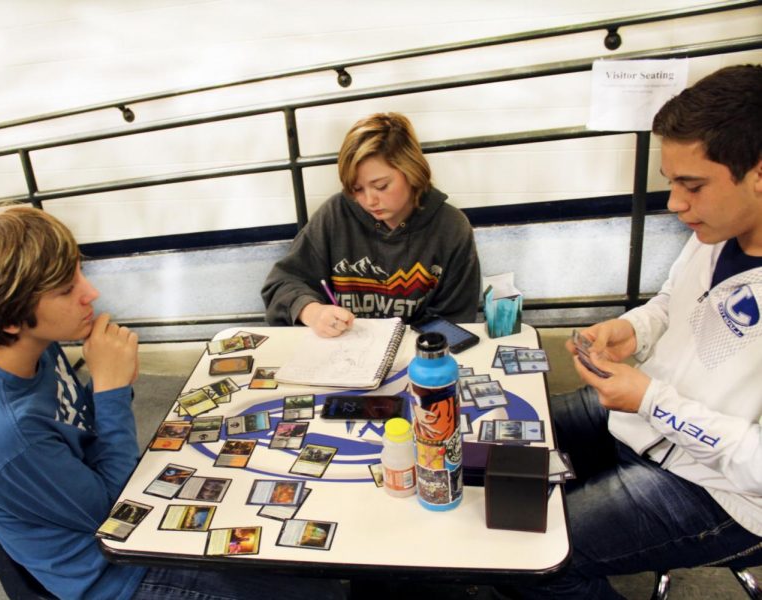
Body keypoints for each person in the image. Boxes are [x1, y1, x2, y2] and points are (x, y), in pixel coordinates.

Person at [0, 206, 346, 600]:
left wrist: (110, 390)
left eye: (78, 272)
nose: (90, 292)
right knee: (323, 587)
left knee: (311, 538)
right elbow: (114, 512)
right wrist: (111, 390)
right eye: (67, 289)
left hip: (123, 508)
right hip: (117, 573)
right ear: (10, 318)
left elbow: (83, 436)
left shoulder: (26, 346)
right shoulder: (5, 438)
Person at [514, 64, 762, 599]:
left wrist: (652, 400)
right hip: (643, 421)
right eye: (671, 183)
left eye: (691, 185)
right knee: (506, 437)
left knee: (532, 564)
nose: (674, 204)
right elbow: (673, 302)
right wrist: (633, 330)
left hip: (719, 494)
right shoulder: (717, 230)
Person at [261, 112, 481, 337]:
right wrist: (313, 311)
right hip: (343, 351)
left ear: (412, 172)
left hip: (419, 356)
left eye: (381, 185)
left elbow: (455, 320)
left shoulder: (451, 228)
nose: (369, 201)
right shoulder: (334, 215)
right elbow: (281, 284)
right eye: (357, 189)